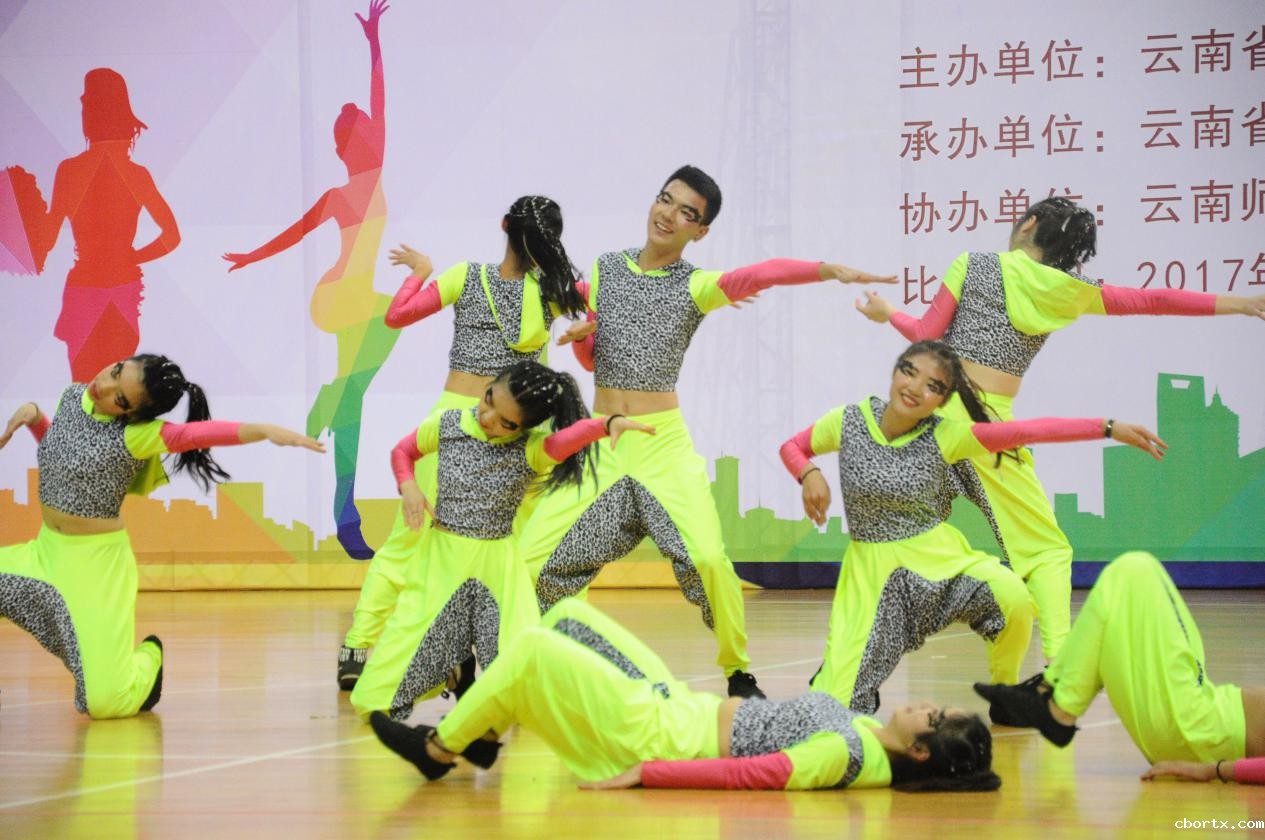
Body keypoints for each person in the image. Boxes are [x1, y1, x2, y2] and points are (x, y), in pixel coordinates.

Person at [521, 163, 898, 698]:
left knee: (708, 561)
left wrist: (828, 270)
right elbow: (589, 350)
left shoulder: (695, 286)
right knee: (529, 559)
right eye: (665, 199)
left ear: (700, 231)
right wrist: (586, 331)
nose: (668, 214)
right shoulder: (605, 270)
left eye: (686, 212)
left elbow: (764, 273)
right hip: (600, 441)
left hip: (662, 446)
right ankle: (539, 660)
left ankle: (738, 672)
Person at [855, 196, 1265, 663]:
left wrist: (888, 313)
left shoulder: (973, 264)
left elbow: (926, 333)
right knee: (1046, 550)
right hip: (985, 423)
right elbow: (1153, 299)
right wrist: (1241, 304)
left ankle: (859, 642)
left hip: (932, 417)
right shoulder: (1067, 290)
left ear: (1029, 223)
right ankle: (1060, 664)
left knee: (906, 536)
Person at [779, 341, 1166, 714]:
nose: (915, 388)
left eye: (933, 386)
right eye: (909, 372)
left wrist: (1108, 427)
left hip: (938, 562)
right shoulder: (849, 420)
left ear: (942, 401)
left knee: (1012, 598)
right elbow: (792, 448)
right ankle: (843, 682)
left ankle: (1006, 692)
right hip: (872, 575)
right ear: (895, 371)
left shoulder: (945, 435)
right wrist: (809, 472)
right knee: (834, 705)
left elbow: (1029, 432)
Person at [335, 195, 585, 690]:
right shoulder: (555, 292)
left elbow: (397, 315)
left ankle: (360, 647)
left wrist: (420, 272)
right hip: (497, 432)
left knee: (413, 540)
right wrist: (586, 326)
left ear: (504, 225)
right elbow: (610, 300)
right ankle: (526, 656)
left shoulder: (466, 277)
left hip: (473, 424)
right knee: (519, 546)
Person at [369, 598, 1001, 792]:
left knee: (534, 648)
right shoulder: (866, 732)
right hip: (675, 704)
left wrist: (645, 774)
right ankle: (483, 736)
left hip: (657, 734)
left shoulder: (847, 755)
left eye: (936, 716)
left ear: (921, 751)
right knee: (566, 617)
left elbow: (752, 774)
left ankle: (439, 749)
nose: (929, 704)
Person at [0, 354, 323, 718]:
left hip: (95, 568)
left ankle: (149, 659)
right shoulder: (73, 396)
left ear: (133, 415)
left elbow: (194, 435)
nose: (104, 386)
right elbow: (63, 451)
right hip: (46, 550)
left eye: (120, 398)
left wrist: (262, 430)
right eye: (115, 371)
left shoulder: (136, 437)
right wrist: (35, 418)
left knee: (105, 703)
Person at [348, 361, 653, 720]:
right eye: (489, 399)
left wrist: (606, 424)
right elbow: (403, 451)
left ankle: (507, 698)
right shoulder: (449, 425)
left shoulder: (531, 450)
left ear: (524, 427)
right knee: (384, 683)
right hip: (443, 559)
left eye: (506, 422)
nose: (488, 417)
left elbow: (566, 439)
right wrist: (409, 486)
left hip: (498, 569)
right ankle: (448, 669)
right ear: (489, 385)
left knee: (517, 656)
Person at [223, 0, 395, 559]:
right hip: (339, 297)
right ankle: (345, 508)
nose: (367, 141)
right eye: (358, 138)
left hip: (362, 299)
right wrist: (250, 256)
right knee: (356, 397)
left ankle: (345, 509)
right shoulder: (340, 195)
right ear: (344, 149)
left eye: (369, 135)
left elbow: (380, 102)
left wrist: (373, 43)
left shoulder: (372, 176)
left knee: (353, 401)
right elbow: (294, 233)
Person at [975, 551, 1265, 784]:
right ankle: (1055, 697)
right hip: (1204, 721)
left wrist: (1213, 770)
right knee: (1135, 578)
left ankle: (1057, 702)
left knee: (1135, 570)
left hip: (1201, 733)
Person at [38, 68, 180, 382]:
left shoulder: (71, 171)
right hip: (121, 291)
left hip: (86, 290)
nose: (83, 108)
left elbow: (45, 242)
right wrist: (132, 256)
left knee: (85, 390)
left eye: (86, 102)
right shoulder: (135, 174)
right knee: (116, 392)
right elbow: (171, 237)